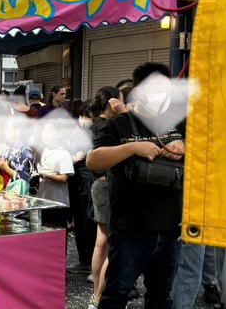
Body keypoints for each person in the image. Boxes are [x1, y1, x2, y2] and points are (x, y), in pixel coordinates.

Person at [87, 62, 185, 309]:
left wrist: (184, 147)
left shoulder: (177, 124)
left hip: (170, 229)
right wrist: (132, 147)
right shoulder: (118, 125)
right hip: (130, 229)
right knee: (115, 294)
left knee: (161, 297)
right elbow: (93, 160)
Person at [88, 86, 126, 308]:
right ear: (112, 102)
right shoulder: (109, 126)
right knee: (113, 245)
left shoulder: (94, 123)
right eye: (120, 100)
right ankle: (99, 296)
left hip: (98, 185)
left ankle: (96, 295)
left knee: (100, 243)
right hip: (107, 185)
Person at [66, 101, 97, 277]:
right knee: (80, 222)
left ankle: (94, 264)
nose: (84, 120)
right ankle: (84, 260)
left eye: (88, 117)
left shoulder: (96, 132)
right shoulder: (75, 131)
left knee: (89, 223)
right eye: (82, 116)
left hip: (89, 180)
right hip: (76, 180)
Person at [33, 119, 75, 227]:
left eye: (49, 132)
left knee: (58, 230)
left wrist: (47, 176)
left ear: (59, 134)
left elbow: (64, 178)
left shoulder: (63, 153)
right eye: (44, 131)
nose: (45, 135)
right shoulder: (40, 151)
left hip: (58, 201)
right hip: (42, 199)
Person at [0, 118, 35, 183]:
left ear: (17, 132)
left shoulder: (26, 151)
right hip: (9, 190)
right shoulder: (9, 150)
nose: (5, 132)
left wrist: (6, 169)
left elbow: (24, 180)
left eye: (7, 129)